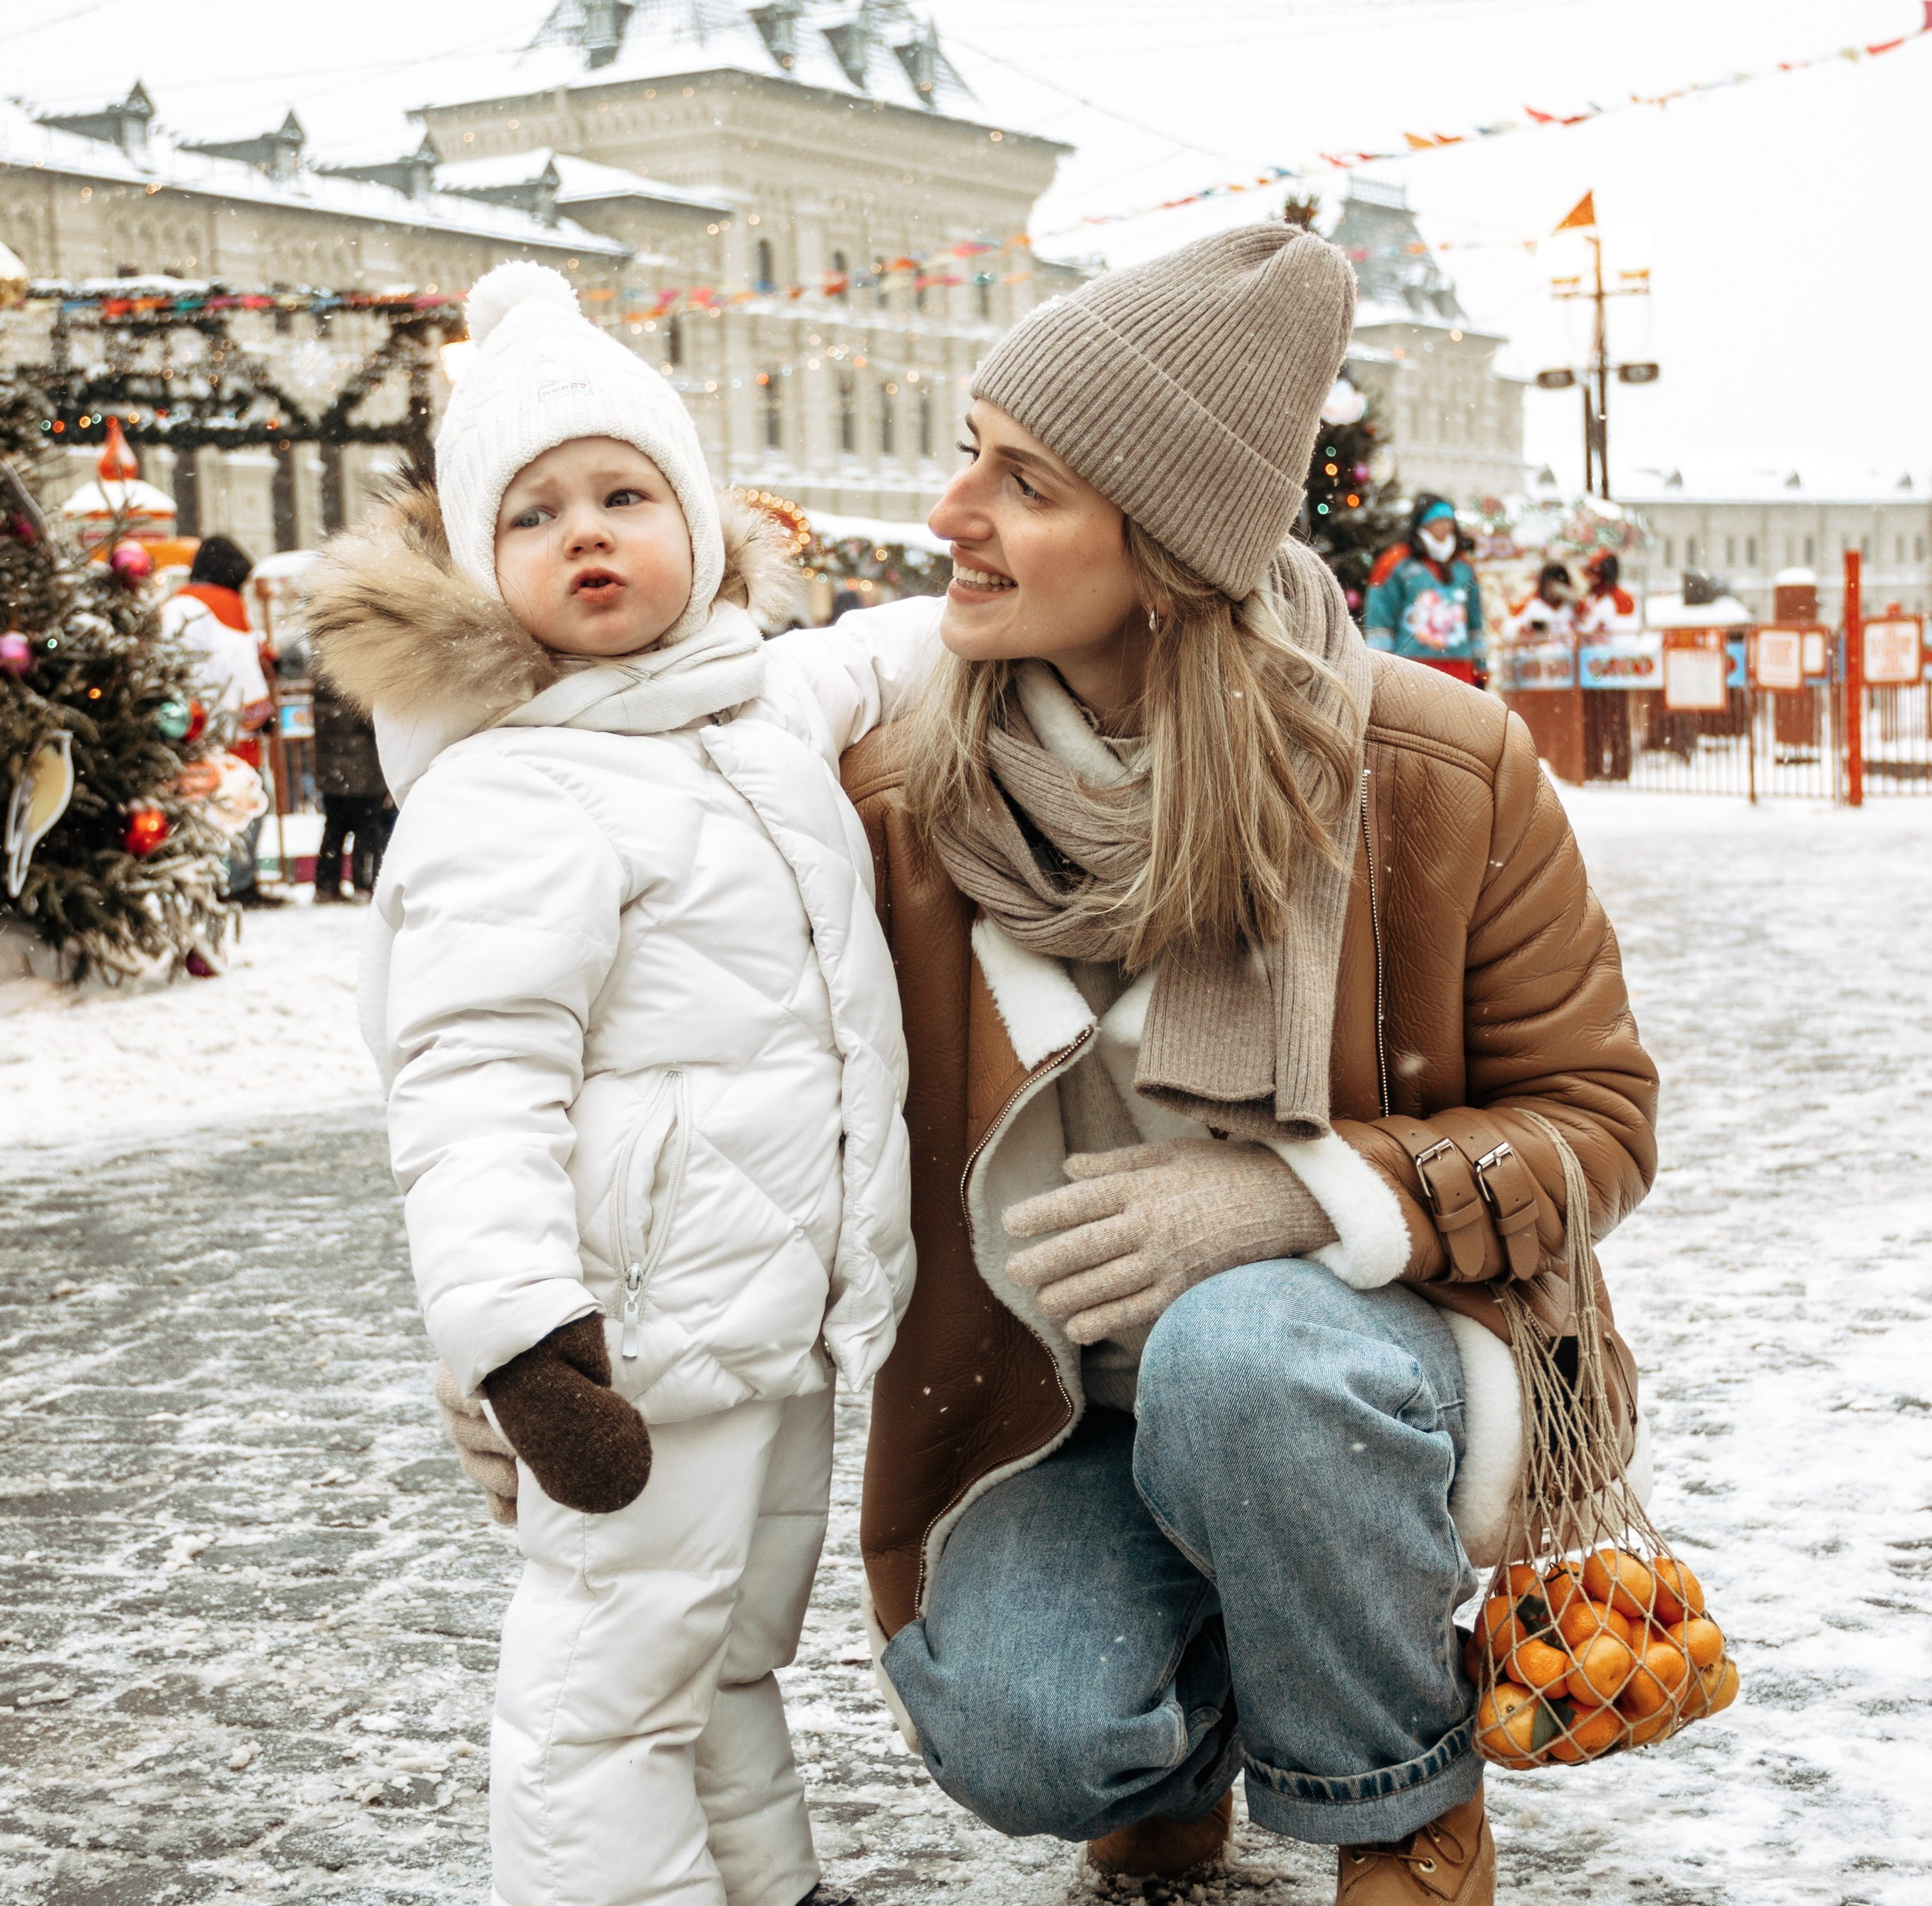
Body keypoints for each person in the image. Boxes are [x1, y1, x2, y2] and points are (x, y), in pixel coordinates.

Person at [440, 226, 1659, 1905]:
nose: (951, 512)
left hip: (1359, 1368)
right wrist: (524, 1325)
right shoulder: (883, 796)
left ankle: (1395, 1802)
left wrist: (1284, 1195)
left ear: (1158, 548)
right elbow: (644, 1049)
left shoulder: (1432, 768)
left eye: (1022, 482)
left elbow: (1593, 1121)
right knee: (1026, 1729)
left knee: (1246, 1354)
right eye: (966, 455)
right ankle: (1184, 1727)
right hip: (1047, 1405)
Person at [307, 262, 904, 1906]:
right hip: (628, 1342)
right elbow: (467, 1080)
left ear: (701, 528)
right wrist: (520, 1338)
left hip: (766, 1320)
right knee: (600, 1689)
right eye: (536, 513)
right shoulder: (512, 790)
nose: (587, 533)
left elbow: (897, 649)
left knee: (714, 1662)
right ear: (484, 570)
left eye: (625, 493)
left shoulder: (747, 706)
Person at [159, 534, 280, 905]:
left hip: (182, 725)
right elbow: (239, 665)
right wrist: (260, 715)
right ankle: (237, 882)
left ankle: (203, 880)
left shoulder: (176, 605)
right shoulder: (223, 604)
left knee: (194, 804)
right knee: (247, 799)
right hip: (227, 731)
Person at [1364, 494, 1487, 682]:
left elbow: (1475, 620)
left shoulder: (1464, 567)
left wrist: (1481, 665)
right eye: (1438, 521)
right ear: (1422, 524)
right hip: (1410, 666)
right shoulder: (1395, 562)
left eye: (1449, 521)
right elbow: (1379, 616)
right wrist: (1378, 667)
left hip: (1460, 666)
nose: (1445, 527)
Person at [309, 673, 388, 901]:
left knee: (334, 828)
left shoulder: (322, 679)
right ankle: (363, 884)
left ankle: (326, 885)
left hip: (332, 771)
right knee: (367, 830)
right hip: (362, 769)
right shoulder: (357, 678)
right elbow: (371, 722)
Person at [1502, 560, 1577, 643]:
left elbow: (1584, 629)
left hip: (1568, 652)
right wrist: (1524, 629)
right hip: (1541, 652)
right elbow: (1510, 629)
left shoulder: (1569, 607)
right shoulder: (1534, 605)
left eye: (1556, 585)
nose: (1552, 589)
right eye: (1549, 585)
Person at [1575, 549, 1638, 641]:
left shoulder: (1607, 600)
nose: (1587, 577)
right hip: (1610, 648)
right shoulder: (1598, 596)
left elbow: (1584, 631)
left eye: (1591, 572)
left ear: (1600, 576)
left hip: (1614, 651)